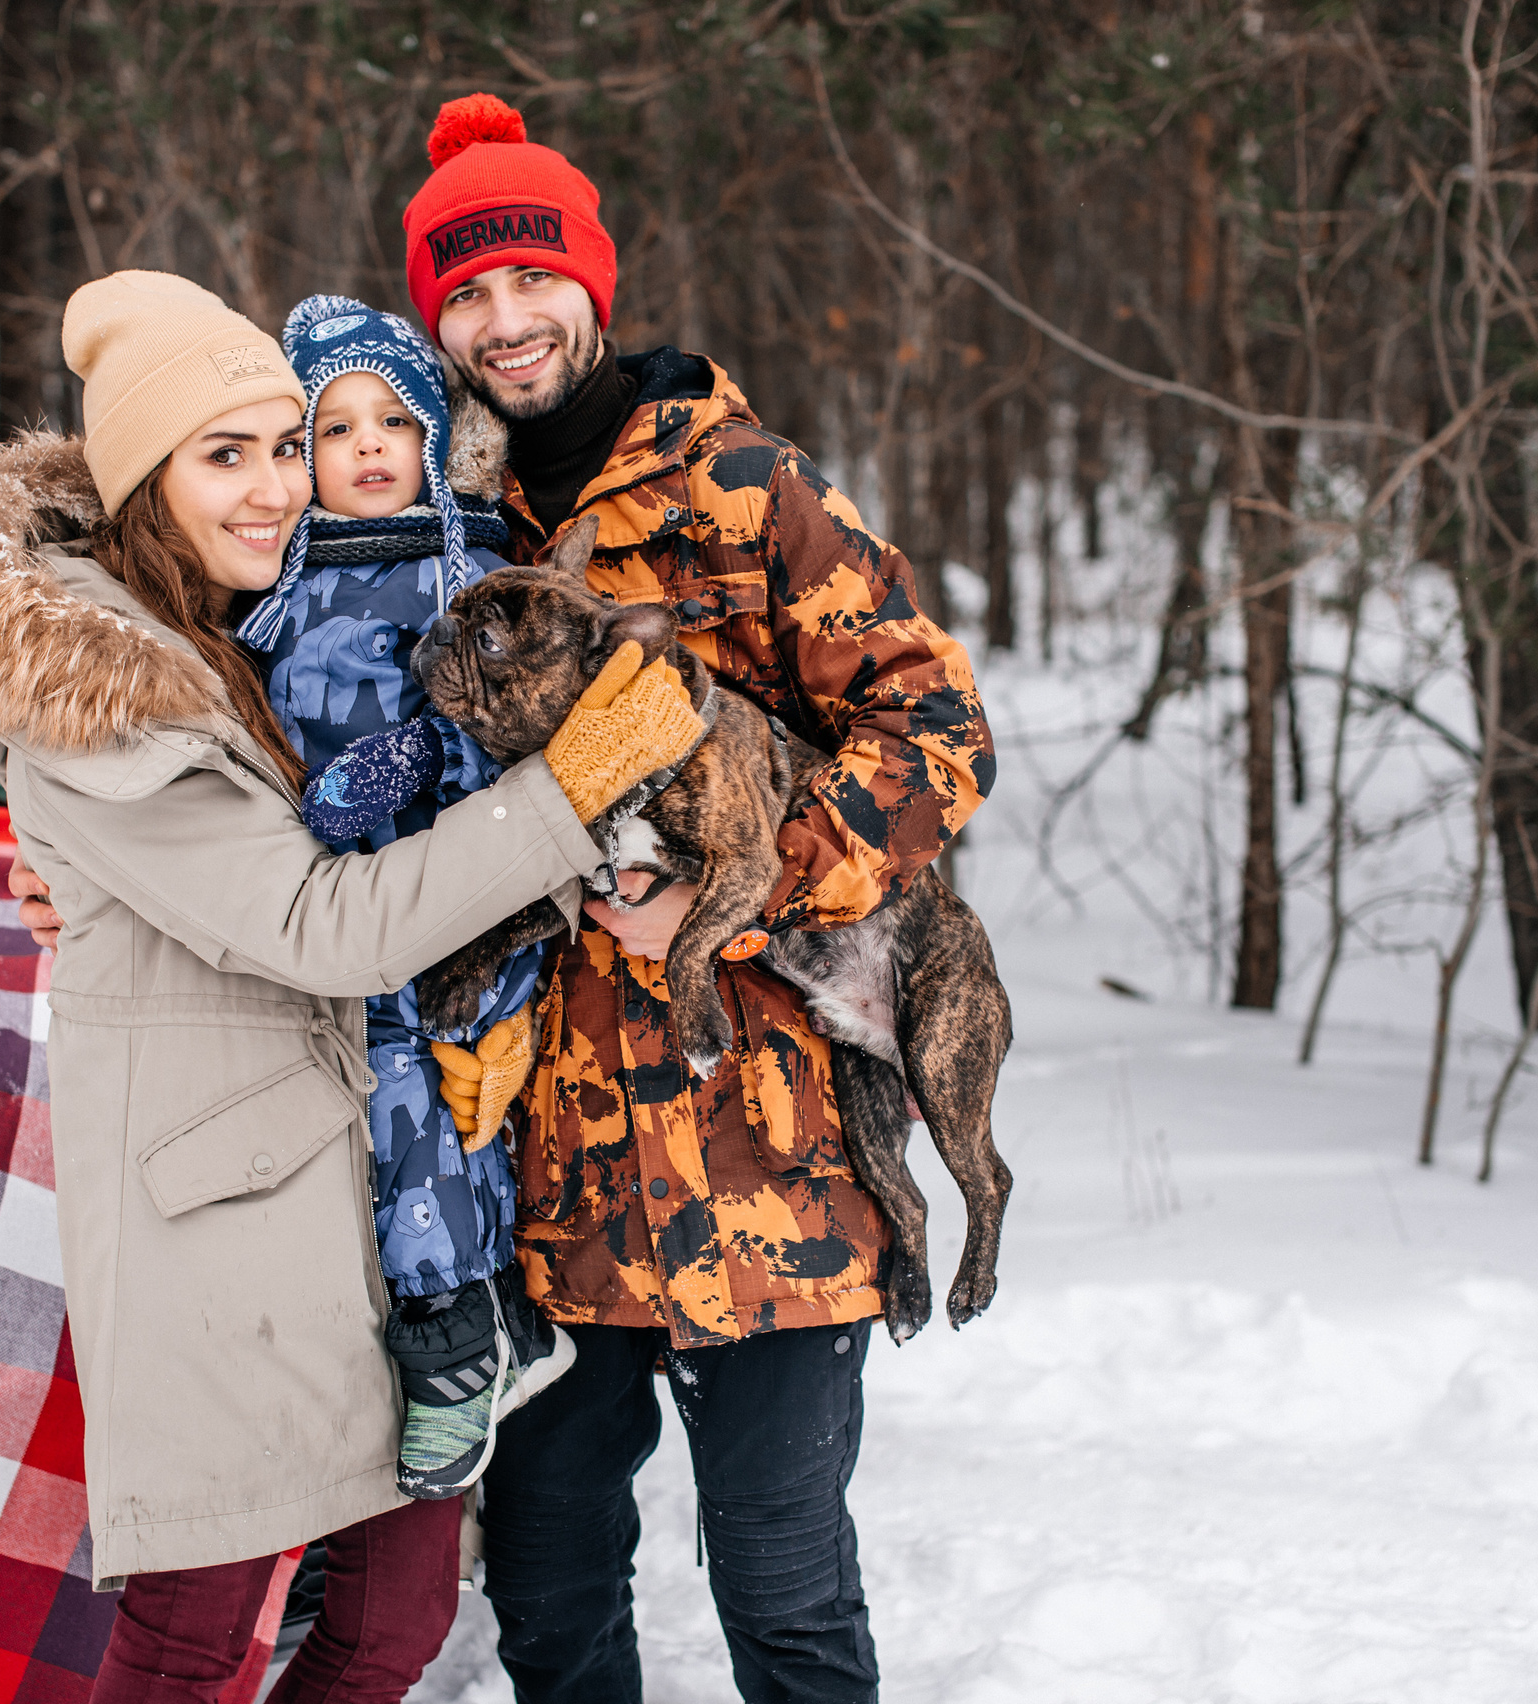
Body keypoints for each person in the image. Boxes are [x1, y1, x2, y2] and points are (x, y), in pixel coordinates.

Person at [0, 269, 700, 1704]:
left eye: (282, 445)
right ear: (145, 477)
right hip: (225, 1224)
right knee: (193, 1641)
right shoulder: (106, 689)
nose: (274, 488)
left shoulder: (245, 622)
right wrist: (567, 799)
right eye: (227, 454)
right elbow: (326, 921)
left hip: (370, 1208)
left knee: (390, 1629)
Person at [404, 95, 999, 1703]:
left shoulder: (739, 487)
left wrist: (759, 894)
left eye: (531, 279)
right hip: (543, 1174)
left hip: (769, 1158)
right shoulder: (436, 526)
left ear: (590, 283)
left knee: (785, 1599)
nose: (505, 321)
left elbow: (938, 732)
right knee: (548, 1594)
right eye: (464, 293)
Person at [243, 292, 574, 1499]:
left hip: (453, 901)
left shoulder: (473, 568)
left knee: (415, 1097)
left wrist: (430, 756)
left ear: (435, 437)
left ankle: (452, 1341)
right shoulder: (266, 584)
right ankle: (356, 1416)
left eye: (393, 421)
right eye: (335, 431)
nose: (369, 448)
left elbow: (542, 720)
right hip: (312, 902)